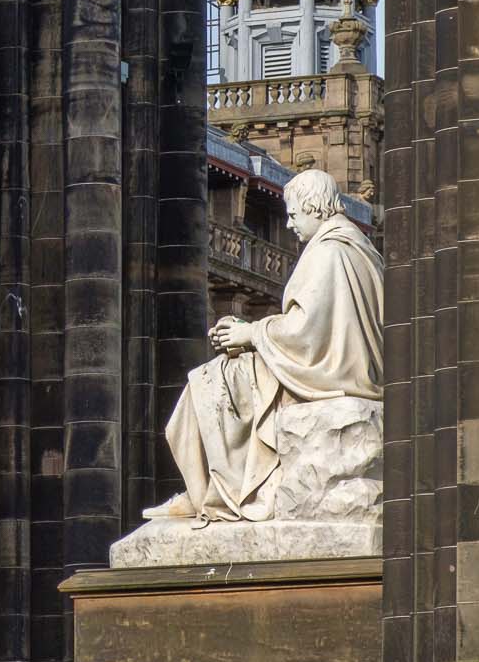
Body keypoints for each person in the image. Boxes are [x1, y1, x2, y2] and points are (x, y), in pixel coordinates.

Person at [146, 166, 383, 523]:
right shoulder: (355, 247)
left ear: (315, 208)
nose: (289, 225)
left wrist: (250, 334)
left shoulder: (330, 252)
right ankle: (207, 488)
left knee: (210, 381)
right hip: (332, 367)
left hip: (327, 373)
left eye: (293, 215)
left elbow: (307, 333)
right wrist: (249, 331)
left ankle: (211, 493)